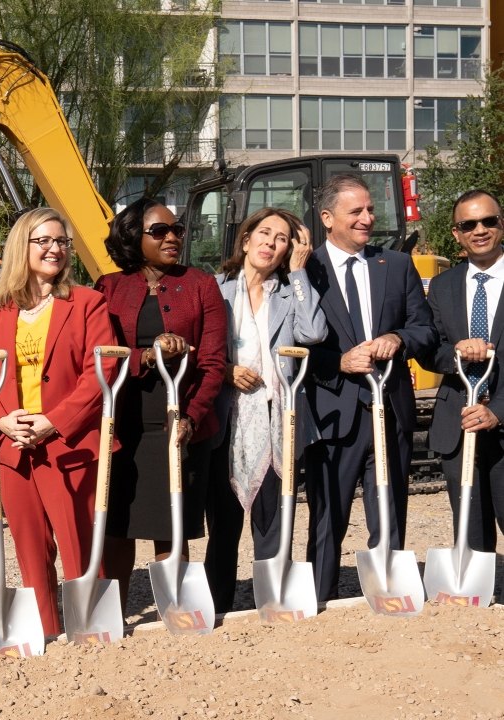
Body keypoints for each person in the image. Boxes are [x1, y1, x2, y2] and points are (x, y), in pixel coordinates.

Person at [0, 207, 116, 637]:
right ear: (22, 247)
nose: (55, 248)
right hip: (13, 446)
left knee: (78, 543)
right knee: (30, 548)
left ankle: (91, 631)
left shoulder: (88, 303)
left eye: (61, 241)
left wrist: (53, 421)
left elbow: (98, 375)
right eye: (43, 241)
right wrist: (0, 421)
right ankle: (46, 633)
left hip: (70, 444)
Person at [302, 173, 436, 601]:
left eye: (370, 210)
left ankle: (388, 593)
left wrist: (398, 339)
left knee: (390, 507)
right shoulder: (306, 270)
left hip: (389, 408)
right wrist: (338, 361)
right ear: (328, 217)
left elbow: (424, 329)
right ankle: (318, 598)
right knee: (327, 515)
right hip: (333, 411)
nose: (367, 218)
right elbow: (291, 342)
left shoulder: (395, 265)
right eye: (355, 211)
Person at [93, 197, 227, 610]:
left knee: (172, 523)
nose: (173, 237)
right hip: (124, 425)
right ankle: (115, 611)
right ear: (134, 237)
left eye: (178, 230)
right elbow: (101, 353)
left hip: (179, 422)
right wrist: (147, 357)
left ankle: (176, 609)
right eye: (160, 231)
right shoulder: (110, 287)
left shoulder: (201, 284)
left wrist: (191, 416)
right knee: (117, 523)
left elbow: (212, 361)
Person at [200, 208, 326, 611]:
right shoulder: (215, 289)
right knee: (223, 523)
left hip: (276, 421)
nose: (271, 243)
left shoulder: (290, 292)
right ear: (246, 238)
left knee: (273, 518)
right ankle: (216, 605)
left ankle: (273, 602)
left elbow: (313, 332)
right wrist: (225, 371)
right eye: (265, 233)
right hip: (226, 419)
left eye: (283, 238)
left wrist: (301, 272)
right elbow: (200, 350)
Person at [425, 190, 504, 560]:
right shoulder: (442, 286)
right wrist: (456, 352)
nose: (480, 230)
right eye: (469, 224)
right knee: (471, 527)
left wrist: (497, 410)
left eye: (489, 220)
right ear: (456, 234)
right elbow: (430, 349)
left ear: (501, 224)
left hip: (500, 419)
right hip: (458, 421)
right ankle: (479, 596)